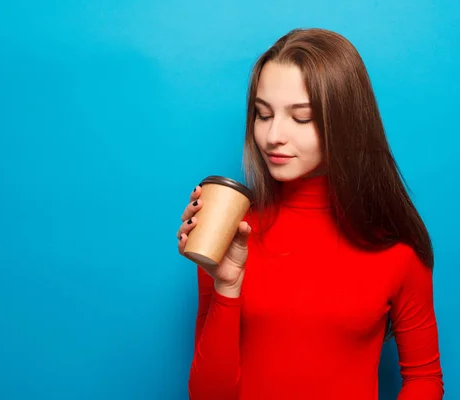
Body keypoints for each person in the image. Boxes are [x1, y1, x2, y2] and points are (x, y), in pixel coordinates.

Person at [177, 28, 444, 400]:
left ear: (345, 121)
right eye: (262, 114)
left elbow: (424, 378)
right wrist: (227, 284)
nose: (273, 136)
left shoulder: (395, 245)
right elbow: (208, 396)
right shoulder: (231, 231)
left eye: (301, 118)